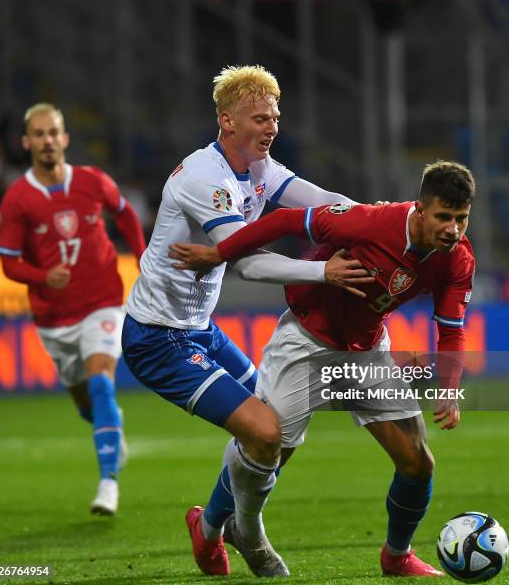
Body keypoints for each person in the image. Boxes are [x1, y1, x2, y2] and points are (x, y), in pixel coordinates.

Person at [121, 65, 374, 577]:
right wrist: (322, 270)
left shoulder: (259, 168)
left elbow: (322, 202)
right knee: (264, 432)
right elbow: (247, 261)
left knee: (277, 434)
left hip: (200, 331)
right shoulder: (204, 178)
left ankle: (212, 526)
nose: (271, 126)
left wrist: (381, 218)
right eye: (260, 118)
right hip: (156, 338)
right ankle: (246, 534)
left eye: (275, 116)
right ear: (226, 120)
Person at [170, 160, 476, 578]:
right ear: (420, 209)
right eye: (444, 217)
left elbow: (452, 332)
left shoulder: (457, 258)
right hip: (305, 343)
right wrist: (218, 252)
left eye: (461, 219)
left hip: (367, 353)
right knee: (268, 451)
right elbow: (285, 219)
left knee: (417, 461)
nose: (452, 229)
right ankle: (210, 527)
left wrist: (450, 388)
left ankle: (397, 555)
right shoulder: (369, 223)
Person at [0, 103, 146, 516]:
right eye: (39, 134)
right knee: (86, 402)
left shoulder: (92, 181)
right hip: (53, 318)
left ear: (65, 138)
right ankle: (111, 432)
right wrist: (44, 277)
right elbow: (9, 262)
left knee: (101, 383)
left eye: (54, 132)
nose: (47, 140)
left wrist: (141, 255)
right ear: (27, 143)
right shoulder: (18, 200)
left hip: (102, 302)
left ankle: (108, 483)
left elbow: (126, 213)